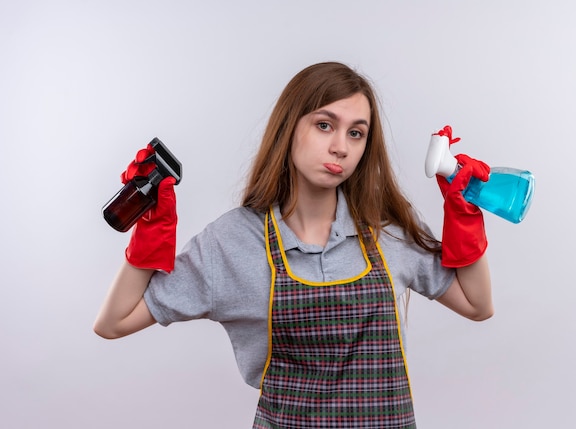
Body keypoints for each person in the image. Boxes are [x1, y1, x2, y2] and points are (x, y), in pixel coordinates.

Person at [94, 61, 493, 429]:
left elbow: (477, 306)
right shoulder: (231, 243)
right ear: (290, 128)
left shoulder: (387, 228)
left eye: (356, 133)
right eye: (324, 125)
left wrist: (465, 215)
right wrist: (151, 232)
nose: (341, 146)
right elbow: (113, 323)